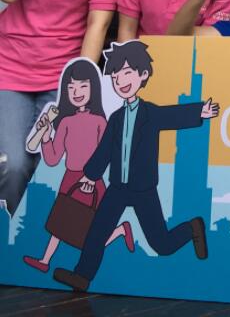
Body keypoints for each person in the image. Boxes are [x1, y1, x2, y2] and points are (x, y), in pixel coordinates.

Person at [0, 0, 124, 213]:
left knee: (56, 165)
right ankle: (8, 237)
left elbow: (98, 24)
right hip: (10, 69)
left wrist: (80, 85)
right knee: (14, 164)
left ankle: (36, 240)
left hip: (63, 76)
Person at [53, 41, 218, 293]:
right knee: (97, 232)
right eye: (115, 76)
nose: (121, 80)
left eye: (127, 72)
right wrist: (89, 175)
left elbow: (171, 115)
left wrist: (199, 111)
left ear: (143, 74)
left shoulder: (150, 113)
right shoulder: (116, 118)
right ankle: (82, 276)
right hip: (118, 187)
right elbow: (104, 150)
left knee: (161, 244)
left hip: (143, 188)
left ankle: (191, 228)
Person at [23, 58, 134, 273]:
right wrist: (45, 137)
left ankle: (120, 231)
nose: (77, 92)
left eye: (83, 85)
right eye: (71, 86)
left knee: (89, 233)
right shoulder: (64, 122)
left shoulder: (100, 121)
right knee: (59, 224)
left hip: (91, 179)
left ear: (94, 88)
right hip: (70, 178)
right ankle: (45, 261)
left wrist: (92, 177)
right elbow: (53, 158)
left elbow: (107, 154)